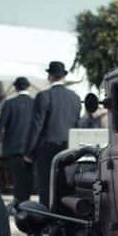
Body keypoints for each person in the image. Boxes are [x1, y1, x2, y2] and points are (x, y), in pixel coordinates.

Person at [25, 61, 81, 207]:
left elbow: (36, 127)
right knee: (66, 188)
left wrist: (29, 152)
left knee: (46, 189)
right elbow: (77, 126)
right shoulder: (75, 98)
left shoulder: (43, 96)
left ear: (49, 77)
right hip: (69, 151)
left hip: (46, 152)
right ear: (64, 77)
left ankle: (48, 223)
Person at [0, 76, 35, 205]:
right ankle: (26, 204)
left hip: (14, 148)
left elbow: (0, 124)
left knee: (17, 179)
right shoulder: (35, 103)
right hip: (32, 148)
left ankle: (20, 204)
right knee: (28, 179)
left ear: (15, 88)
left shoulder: (9, 104)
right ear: (29, 87)